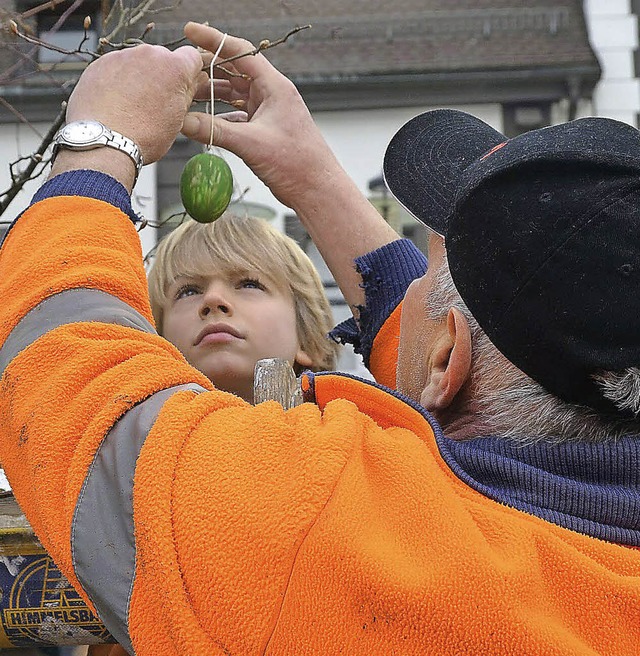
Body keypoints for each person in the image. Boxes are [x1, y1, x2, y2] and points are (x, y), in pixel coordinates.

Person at [0, 22, 638, 656]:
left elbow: (69, 389)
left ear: (448, 357)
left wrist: (98, 145)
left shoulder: (321, 536)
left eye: (430, 268)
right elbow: (483, 381)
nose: (409, 282)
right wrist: (311, 177)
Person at [146, 213, 339, 403]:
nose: (213, 299)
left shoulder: (349, 429)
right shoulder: (132, 432)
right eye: (188, 291)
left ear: (307, 340)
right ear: (157, 335)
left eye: (249, 284)